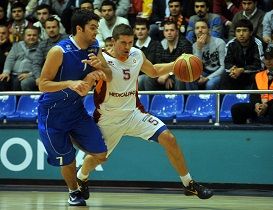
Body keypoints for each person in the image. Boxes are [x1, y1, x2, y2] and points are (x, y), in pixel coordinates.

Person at [76, 23, 214, 201]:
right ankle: (81, 177)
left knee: (169, 139)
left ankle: (188, 184)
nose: (127, 47)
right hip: (108, 119)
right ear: (113, 41)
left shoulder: (136, 54)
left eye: (130, 42)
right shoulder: (101, 58)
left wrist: (177, 63)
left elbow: (154, 71)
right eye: (123, 43)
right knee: (98, 158)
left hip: (134, 114)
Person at [37, 9, 112, 206]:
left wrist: (101, 68)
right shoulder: (59, 51)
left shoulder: (95, 46)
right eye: (93, 28)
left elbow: (109, 75)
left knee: (101, 154)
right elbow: (42, 84)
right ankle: (73, 191)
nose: (96, 32)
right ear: (79, 28)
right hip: (52, 115)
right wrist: (69, 83)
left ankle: (80, 172)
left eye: (97, 27)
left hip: (76, 112)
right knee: (67, 159)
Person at [231, 45, 273, 124]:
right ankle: (241, 134)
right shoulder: (258, 75)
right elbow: (254, 94)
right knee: (237, 108)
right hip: (263, 106)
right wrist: (257, 105)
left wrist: (266, 105)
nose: (268, 61)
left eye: (271, 58)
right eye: (266, 58)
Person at [220, 19, 263, 90]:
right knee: (225, 76)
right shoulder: (231, 44)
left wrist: (242, 70)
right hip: (236, 74)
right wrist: (233, 69)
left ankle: (255, 100)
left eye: (244, 30)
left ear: (251, 32)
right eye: (238, 31)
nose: (241, 34)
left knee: (258, 76)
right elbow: (227, 63)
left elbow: (259, 65)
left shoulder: (257, 43)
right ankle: (226, 100)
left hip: (251, 74)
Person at [186, 19, 226, 90]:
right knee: (189, 78)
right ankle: (194, 99)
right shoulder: (194, 46)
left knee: (210, 84)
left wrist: (207, 78)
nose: (200, 30)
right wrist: (199, 48)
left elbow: (223, 67)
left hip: (217, 73)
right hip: (203, 73)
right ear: (194, 31)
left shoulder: (219, 43)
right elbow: (196, 68)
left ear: (209, 30)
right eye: (197, 28)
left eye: (203, 27)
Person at [32, 16, 69, 86]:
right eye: (48, 28)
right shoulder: (42, 44)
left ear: (59, 28)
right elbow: (36, 63)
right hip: (48, 75)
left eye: (54, 27)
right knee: (27, 82)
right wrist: (38, 77)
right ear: (45, 29)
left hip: (67, 73)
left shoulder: (68, 40)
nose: (51, 30)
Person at [0, 26, 39, 91]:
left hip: (30, 75)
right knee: (2, 80)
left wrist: (30, 74)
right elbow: (10, 59)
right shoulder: (17, 45)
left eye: (34, 35)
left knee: (20, 82)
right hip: (13, 74)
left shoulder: (41, 48)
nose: (31, 37)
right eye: (29, 35)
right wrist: (6, 72)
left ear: (38, 36)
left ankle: (21, 101)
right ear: (24, 36)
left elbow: (41, 65)